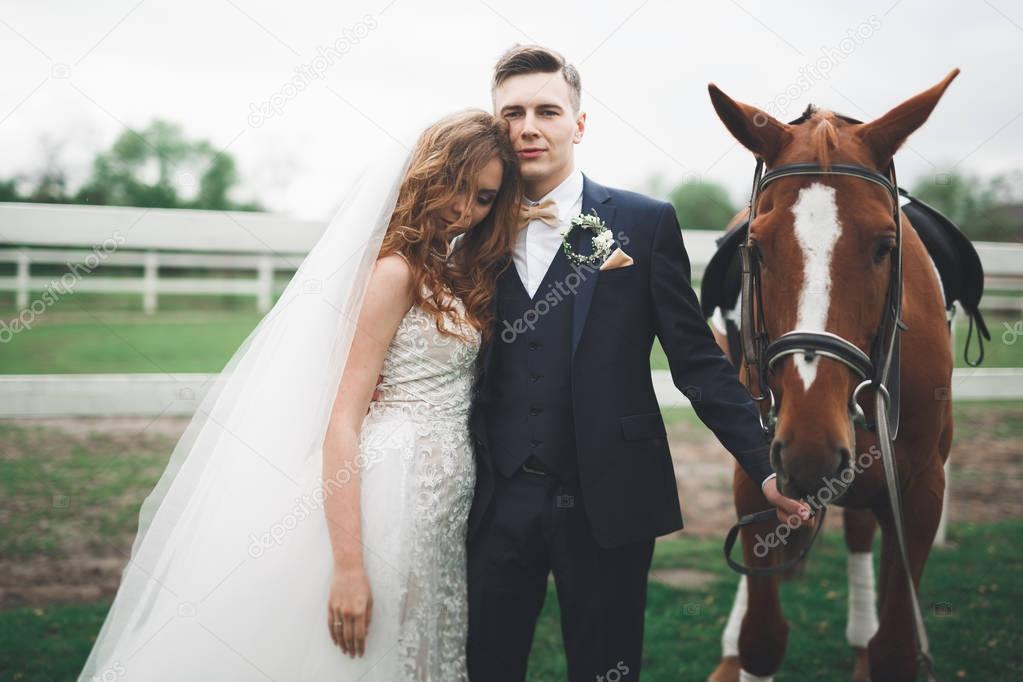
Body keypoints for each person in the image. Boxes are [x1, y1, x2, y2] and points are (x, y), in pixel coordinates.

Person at [76, 109, 521, 682]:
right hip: (390, 489)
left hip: (439, 500)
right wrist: (349, 568)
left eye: (484, 198)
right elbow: (343, 419)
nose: (465, 210)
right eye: (458, 188)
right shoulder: (395, 272)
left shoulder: (447, 269)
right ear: (428, 175)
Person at [465, 45, 809, 682]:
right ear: (496, 124)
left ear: (579, 123)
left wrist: (764, 466)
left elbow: (699, 361)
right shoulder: (470, 228)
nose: (529, 127)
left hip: (610, 497)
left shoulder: (643, 225)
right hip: (493, 498)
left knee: (606, 668)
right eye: (512, 113)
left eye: (547, 110)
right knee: (485, 666)